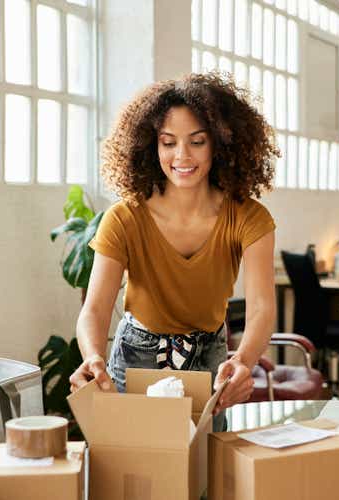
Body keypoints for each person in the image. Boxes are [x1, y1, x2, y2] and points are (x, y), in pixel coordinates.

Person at [69, 73, 278, 429]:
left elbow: (261, 307)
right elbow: (96, 308)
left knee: (206, 472)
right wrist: (92, 357)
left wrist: (242, 359)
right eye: (168, 143)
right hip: (136, 357)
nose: (182, 155)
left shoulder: (248, 217)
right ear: (152, 147)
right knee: (135, 469)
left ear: (220, 144)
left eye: (197, 141)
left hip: (211, 358)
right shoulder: (124, 218)